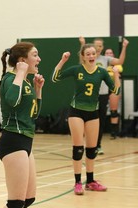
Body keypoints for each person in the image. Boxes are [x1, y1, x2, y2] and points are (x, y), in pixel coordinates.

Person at [52, 44, 121, 195]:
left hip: (93, 113)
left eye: (93, 54)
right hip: (76, 111)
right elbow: (55, 77)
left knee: (92, 149)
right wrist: (63, 60)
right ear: (83, 56)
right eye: (88, 54)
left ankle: (90, 181)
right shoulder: (77, 69)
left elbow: (116, 90)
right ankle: (77, 182)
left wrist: (115, 75)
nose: (91, 56)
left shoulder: (102, 72)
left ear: (96, 55)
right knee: (78, 149)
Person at [0, 42, 45, 208]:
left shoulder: (25, 82)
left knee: (29, 198)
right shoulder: (10, 79)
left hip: (25, 140)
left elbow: (34, 115)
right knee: (15, 203)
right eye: (35, 55)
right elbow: (12, 100)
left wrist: (38, 90)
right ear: (23, 60)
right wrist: (21, 72)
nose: (39, 59)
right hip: (13, 141)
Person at [79, 37, 129, 154]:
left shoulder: (106, 59)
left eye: (100, 46)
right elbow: (81, 58)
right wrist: (82, 44)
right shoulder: (88, 58)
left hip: (102, 94)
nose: (98, 48)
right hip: (90, 94)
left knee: (100, 120)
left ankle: (98, 145)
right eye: (96, 45)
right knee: (87, 120)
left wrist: (124, 47)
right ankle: (87, 143)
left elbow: (120, 61)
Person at [104, 48, 123, 139]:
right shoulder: (101, 64)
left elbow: (118, 75)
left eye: (110, 53)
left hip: (113, 88)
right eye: (107, 53)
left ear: (113, 55)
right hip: (102, 88)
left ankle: (113, 132)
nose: (109, 54)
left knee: (113, 110)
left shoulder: (117, 65)